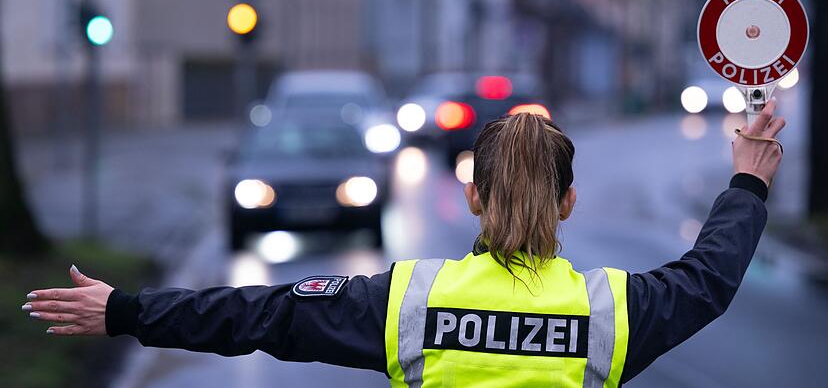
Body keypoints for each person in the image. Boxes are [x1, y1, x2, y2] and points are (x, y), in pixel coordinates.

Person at [22, 101, 785, 387]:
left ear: (473, 197)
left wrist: (125, 312)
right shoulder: (613, 313)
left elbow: (258, 315)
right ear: (570, 203)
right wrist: (746, 181)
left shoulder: (410, 303)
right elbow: (706, 279)